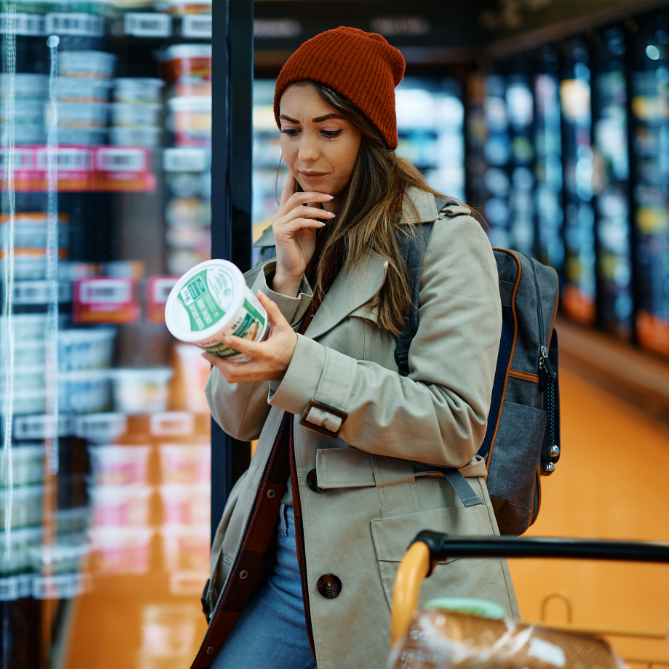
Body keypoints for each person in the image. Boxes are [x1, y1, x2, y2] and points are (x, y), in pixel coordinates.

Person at [195, 26, 518, 669]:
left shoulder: (443, 240)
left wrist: (298, 363)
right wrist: (284, 281)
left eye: (329, 130)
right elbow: (236, 418)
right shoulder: (286, 240)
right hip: (276, 560)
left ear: (371, 133)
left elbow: (455, 423)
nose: (304, 154)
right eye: (290, 129)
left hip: (395, 570)